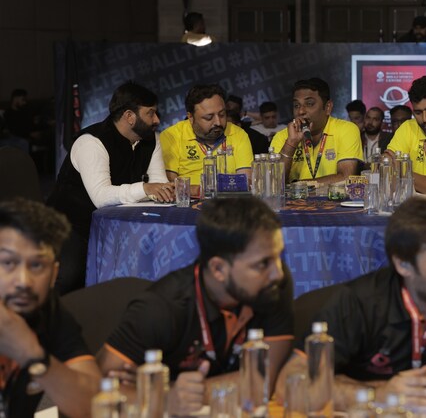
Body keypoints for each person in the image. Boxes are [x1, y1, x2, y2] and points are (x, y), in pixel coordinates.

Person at [275, 196, 426, 410]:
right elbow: (290, 385)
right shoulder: (355, 302)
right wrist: (379, 394)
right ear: (403, 265)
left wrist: (360, 388)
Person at [97, 197, 294, 416]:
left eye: (278, 256)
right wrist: (168, 400)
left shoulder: (273, 286)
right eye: (263, 263)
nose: (277, 272)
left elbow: (261, 385)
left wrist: (161, 392)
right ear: (218, 269)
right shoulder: (159, 308)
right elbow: (100, 391)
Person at [48, 81, 173, 294]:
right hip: (72, 225)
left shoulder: (151, 139)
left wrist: (162, 191)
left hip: (116, 225)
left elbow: (158, 186)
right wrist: (146, 189)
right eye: (151, 113)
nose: (157, 120)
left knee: (150, 264)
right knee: (70, 276)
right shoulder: (91, 142)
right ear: (129, 116)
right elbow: (101, 197)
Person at [0, 198, 101, 417]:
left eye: (37, 265)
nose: (24, 281)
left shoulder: (47, 310)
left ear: (54, 274)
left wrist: (31, 353)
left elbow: (94, 405)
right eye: (8, 263)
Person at [271, 78, 362, 184]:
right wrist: (291, 144)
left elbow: (346, 178)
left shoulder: (346, 129)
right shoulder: (282, 137)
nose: (301, 111)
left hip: (333, 196)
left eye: (309, 104)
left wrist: (299, 186)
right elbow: (274, 184)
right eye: (296, 105)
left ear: (327, 107)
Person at [161, 84, 254, 186]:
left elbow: (246, 182)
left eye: (222, 114)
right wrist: (200, 191)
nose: (218, 122)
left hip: (229, 196)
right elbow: (170, 185)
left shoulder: (238, 134)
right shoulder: (172, 136)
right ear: (190, 117)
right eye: (209, 117)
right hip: (187, 196)